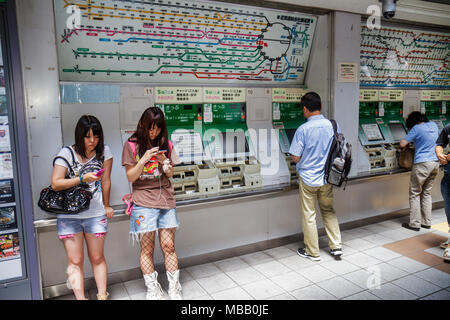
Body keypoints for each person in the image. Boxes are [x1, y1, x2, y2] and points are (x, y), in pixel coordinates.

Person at [121, 106, 182, 299]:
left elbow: (171, 173)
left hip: (165, 199)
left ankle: (174, 286)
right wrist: (144, 159)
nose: (153, 132)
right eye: (150, 128)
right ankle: (152, 288)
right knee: (147, 248)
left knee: (168, 245)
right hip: (143, 202)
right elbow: (131, 177)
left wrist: (165, 162)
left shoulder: (167, 144)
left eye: (157, 128)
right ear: (142, 124)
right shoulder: (131, 146)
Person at [51, 115, 114, 300]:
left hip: (95, 214)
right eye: (87, 137)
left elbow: (107, 180)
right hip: (69, 216)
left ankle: (102, 295)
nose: (92, 141)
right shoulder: (66, 153)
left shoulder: (105, 152)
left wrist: (107, 205)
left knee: (97, 258)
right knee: (75, 261)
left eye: (96, 136)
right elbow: (55, 183)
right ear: (79, 136)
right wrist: (81, 179)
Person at [289, 92, 343, 261]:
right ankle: (336, 247)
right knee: (328, 210)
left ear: (305, 109)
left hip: (308, 179)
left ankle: (313, 252)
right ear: (320, 106)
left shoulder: (303, 129)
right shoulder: (333, 125)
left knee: (309, 214)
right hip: (327, 177)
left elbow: (295, 157)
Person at [400, 111, 439, 232]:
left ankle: (415, 224)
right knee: (426, 193)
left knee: (415, 193)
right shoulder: (433, 125)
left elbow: (402, 144)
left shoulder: (416, 128)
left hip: (422, 164)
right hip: (435, 163)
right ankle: (426, 222)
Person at [435, 123, 450, 263]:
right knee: (449, 208)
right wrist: (439, 153)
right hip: (448, 176)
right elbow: (440, 144)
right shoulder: (448, 128)